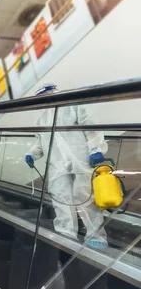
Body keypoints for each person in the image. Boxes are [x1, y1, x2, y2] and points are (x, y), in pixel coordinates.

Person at [25, 83, 108, 249]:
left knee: (84, 196)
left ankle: (97, 236)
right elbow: (40, 142)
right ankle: (65, 234)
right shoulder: (41, 119)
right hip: (57, 163)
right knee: (60, 198)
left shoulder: (73, 106)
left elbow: (90, 127)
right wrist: (31, 153)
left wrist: (95, 149)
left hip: (81, 158)